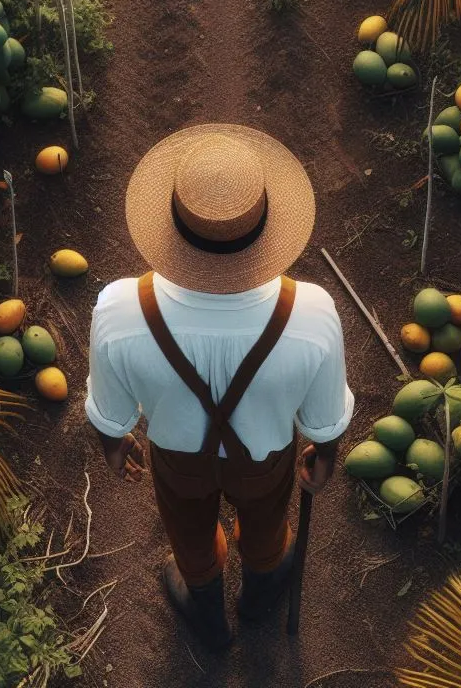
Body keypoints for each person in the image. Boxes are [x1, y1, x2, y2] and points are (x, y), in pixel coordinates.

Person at [85, 124, 353, 652]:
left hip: (177, 457)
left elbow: (109, 416)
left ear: (169, 224)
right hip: (266, 458)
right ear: (268, 225)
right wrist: (325, 459)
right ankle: (261, 589)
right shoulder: (312, 313)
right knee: (267, 523)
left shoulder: (118, 309)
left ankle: (206, 610)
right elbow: (325, 423)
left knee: (188, 531)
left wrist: (115, 447)